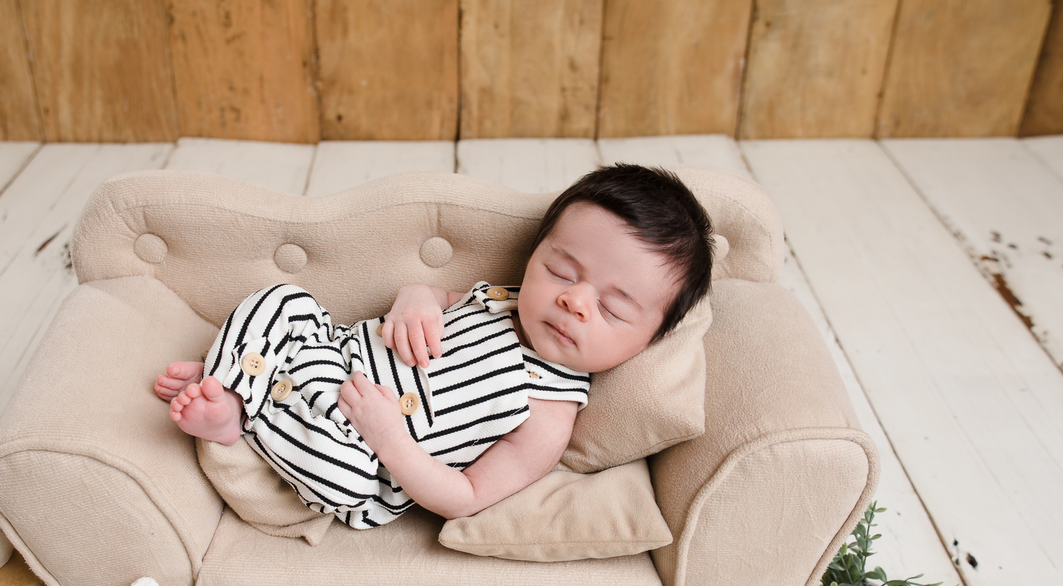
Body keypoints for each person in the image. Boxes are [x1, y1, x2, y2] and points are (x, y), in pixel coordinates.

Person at [155, 164, 714, 529]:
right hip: (330, 353)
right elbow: (439, 296)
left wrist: (388, 438)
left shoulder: (547, 415)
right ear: (535, 254)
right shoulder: (503, 298)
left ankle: (237, 418)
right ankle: (231, 379)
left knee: (341, 481)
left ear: (646, 342)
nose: (575, 302)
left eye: (613, 310)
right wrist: (418, 299)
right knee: (286, 300)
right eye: (561, 270)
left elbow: (465, 495)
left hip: (359, 449)